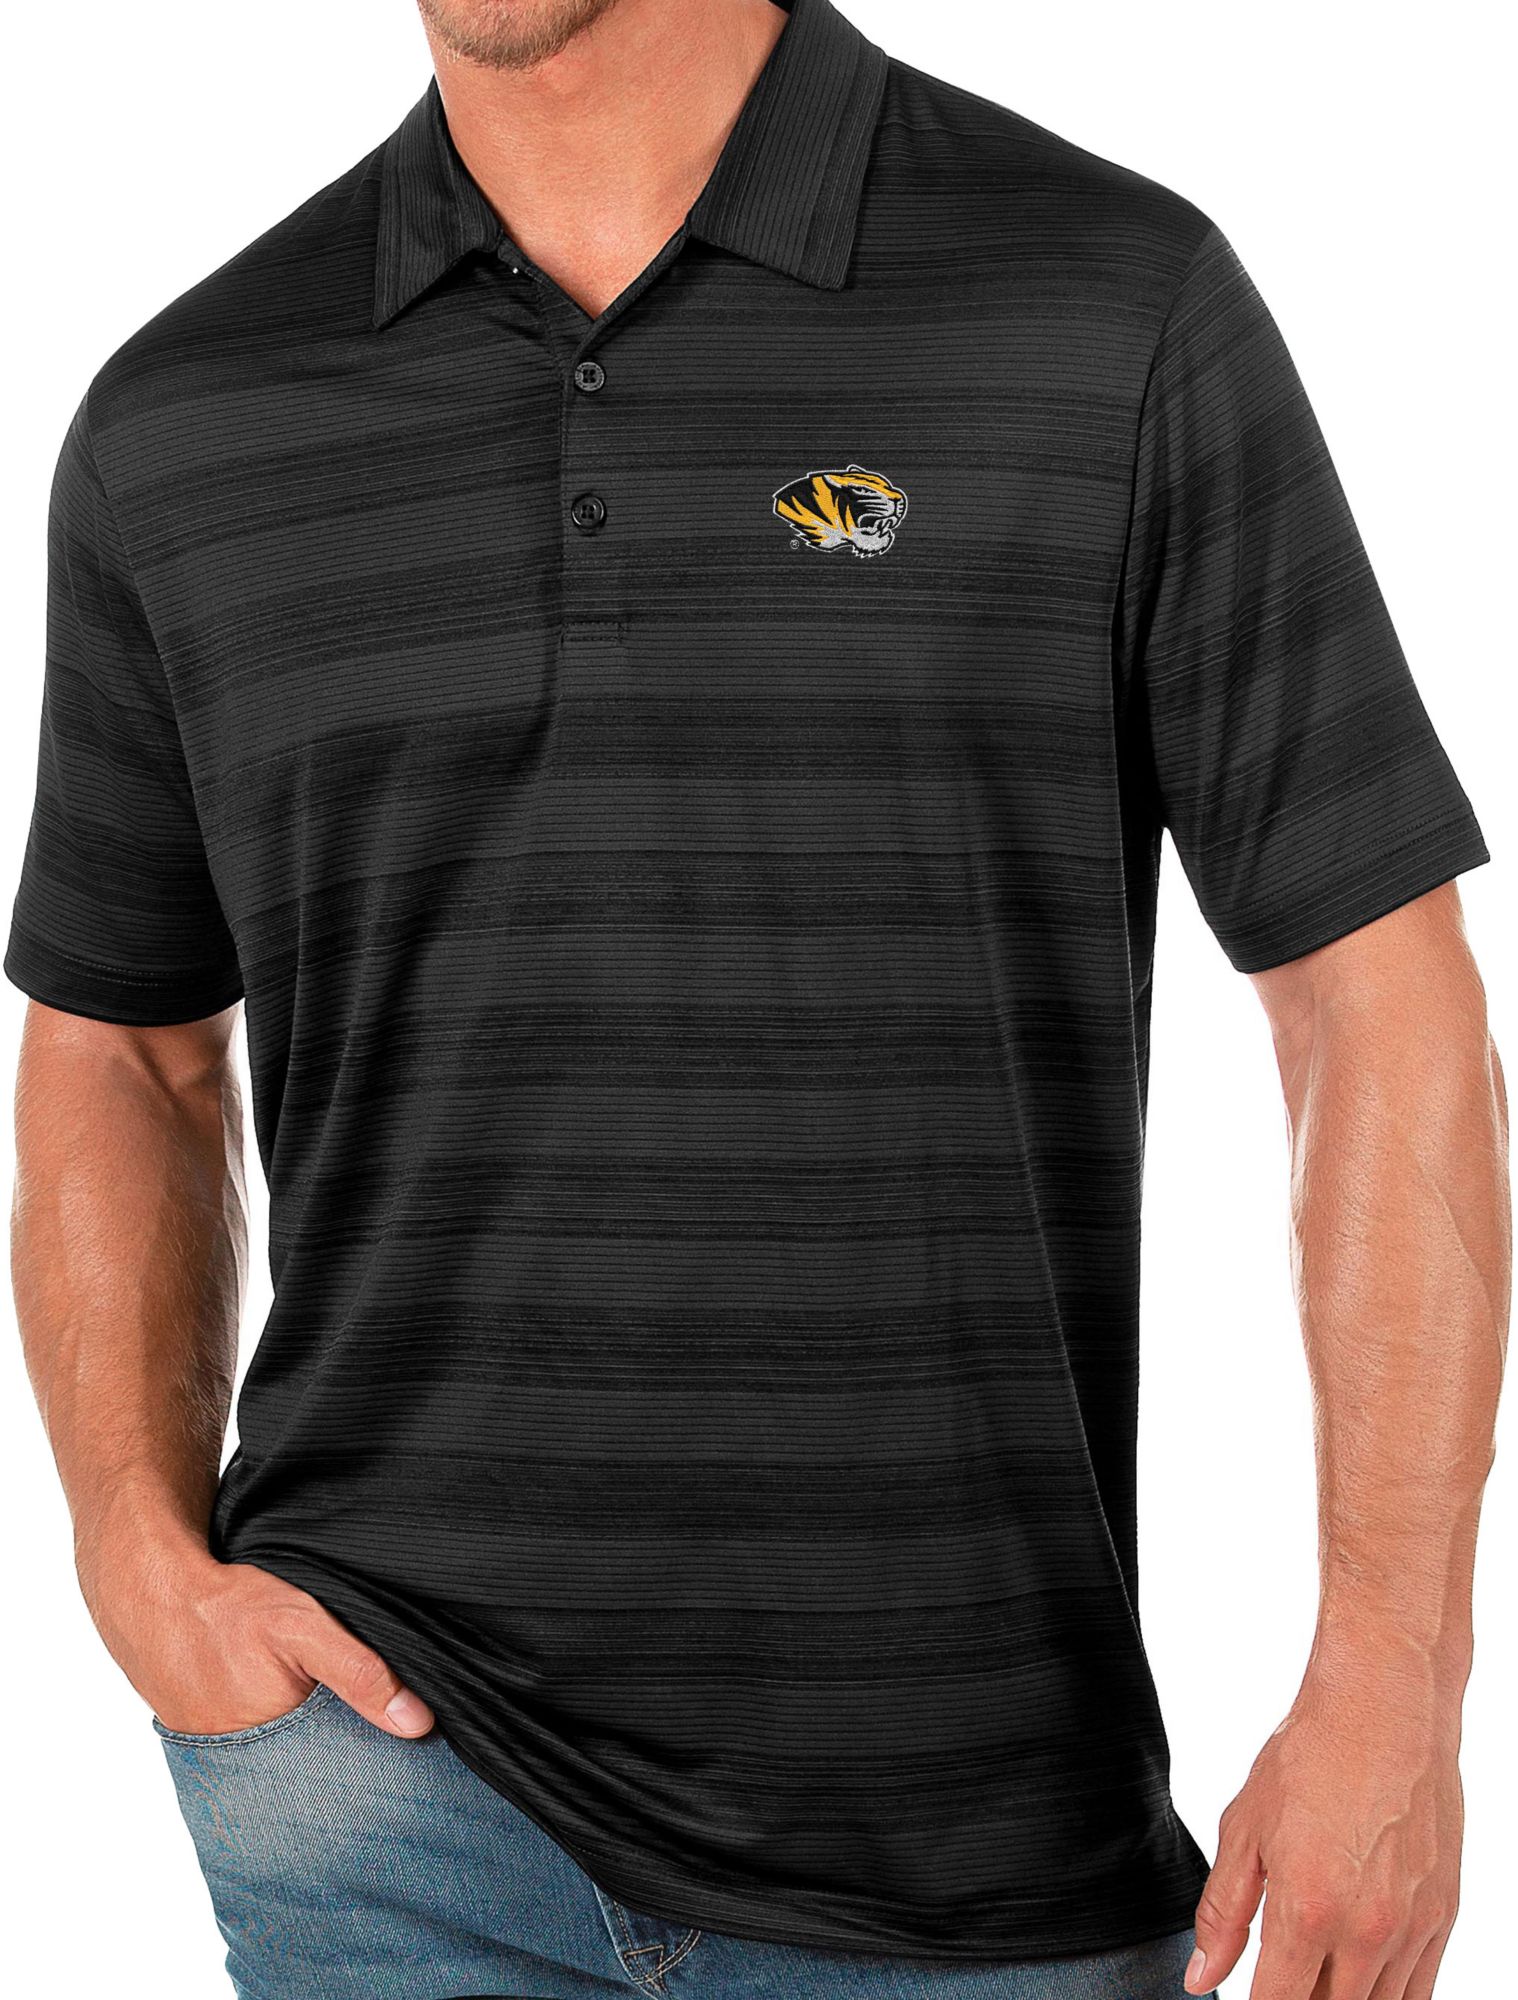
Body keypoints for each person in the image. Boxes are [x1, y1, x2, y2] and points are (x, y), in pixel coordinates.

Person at [8, 1, 1507, 1996]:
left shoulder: (1103, 305)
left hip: (975, 1855)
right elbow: (122, 1040)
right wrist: (132, 1552)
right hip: (377, 1797)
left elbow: (1370, 993)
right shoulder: (187, 415)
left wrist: (1395, 1683)